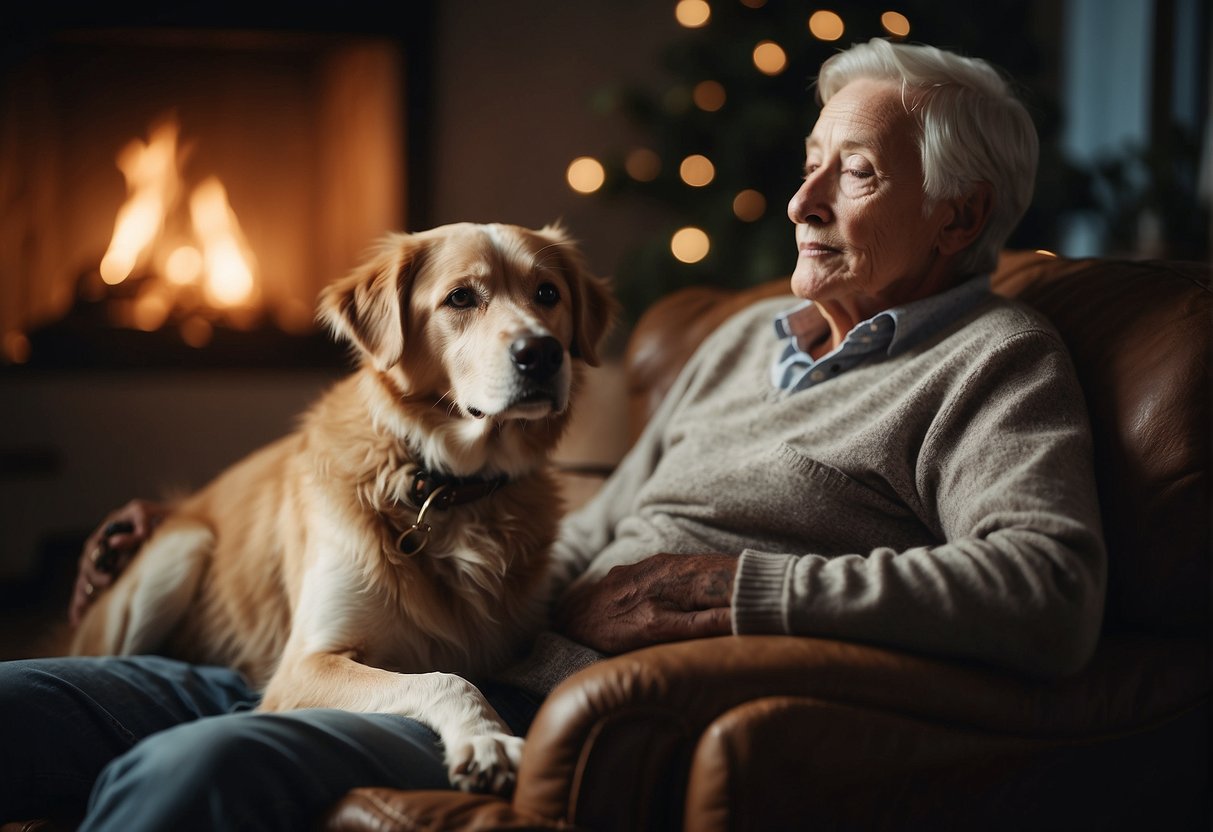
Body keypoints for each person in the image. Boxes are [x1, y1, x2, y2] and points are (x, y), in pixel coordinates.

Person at [1, 37, 1105, 830]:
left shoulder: (994, 361)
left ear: (959, 213)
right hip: (447, 648)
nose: (801, 200)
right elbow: (597, 515)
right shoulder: (746, 338)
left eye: (851, 172)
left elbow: (1048, 591)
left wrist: (735, 593)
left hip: (551, 701)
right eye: (807, 161)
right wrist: (362, 540)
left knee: (194, 774)